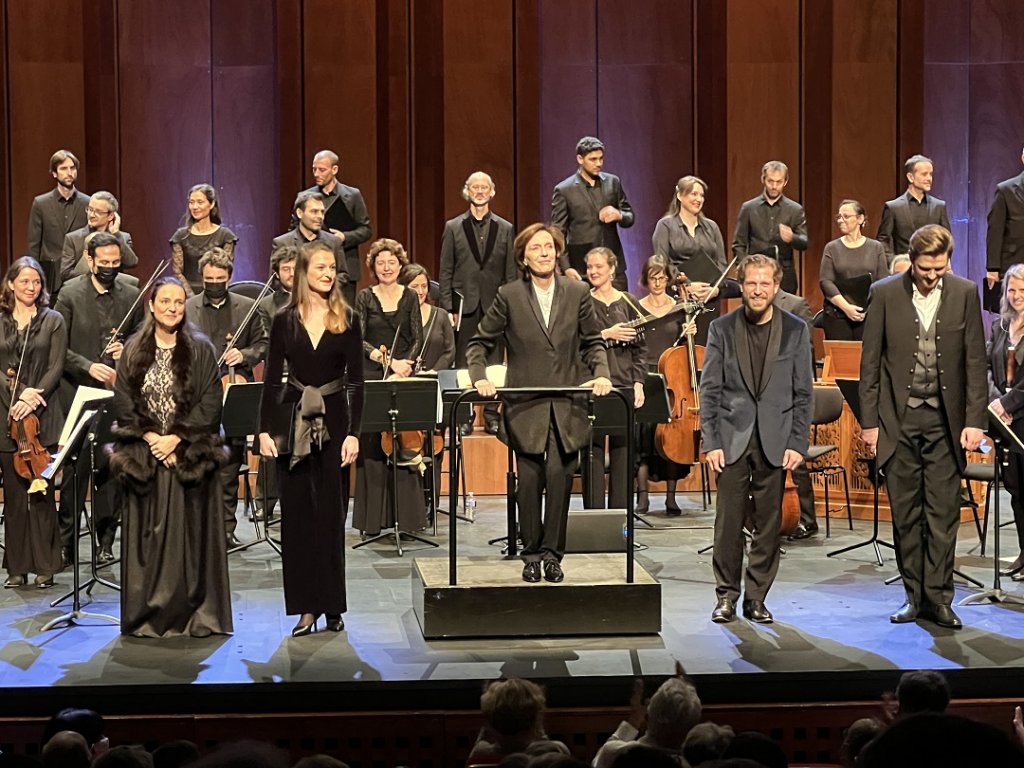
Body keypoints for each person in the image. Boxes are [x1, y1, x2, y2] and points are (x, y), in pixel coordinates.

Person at [467, 223, 611, 583]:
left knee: (560, 479)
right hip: (525, 405)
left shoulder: (578, 292)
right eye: (537, 248)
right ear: (524, 257)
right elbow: (478, 343)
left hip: (566, 405)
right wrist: (480, 377)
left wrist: (603, 373)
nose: (545, 252)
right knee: (529, 483)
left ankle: (553, 555)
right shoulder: (509, 295)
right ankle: (530, 554)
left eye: (549, 246)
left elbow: (593, 342)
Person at [860, 224, 986, 630]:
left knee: (943, 513)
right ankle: (913, 597)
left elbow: (974, 363)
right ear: (911, 261)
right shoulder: (884, 293)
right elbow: (870, 364)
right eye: (925, 268)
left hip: (945, 422)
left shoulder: (965, 293)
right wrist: (869, 423)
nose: (932, 276)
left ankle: (939, 598)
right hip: (898, 421)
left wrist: (974, 422)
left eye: (939, 268)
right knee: (906, 514)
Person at [110, 276, 232, 637]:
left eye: (179, 302)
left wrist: (176, 438)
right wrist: (150, 437)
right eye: (165, 302)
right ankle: (147, 617)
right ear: (151, 304)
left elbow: (211, 403)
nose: (172, 308)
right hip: (145, 458)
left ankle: (194, 616)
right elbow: (123, 400)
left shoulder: (201, 348)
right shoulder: (133, 348)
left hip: (187, 458)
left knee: (189, 542)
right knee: (148, 542)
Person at [258, 240, 363, 637]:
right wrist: (264, 429)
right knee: (298, 517)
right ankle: (306, 608)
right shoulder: (284, 320)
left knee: (332, 519)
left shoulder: (347, 317)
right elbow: (271, 380)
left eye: (332, 267)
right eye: (320, 267)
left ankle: (333, 606)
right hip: (294, 420)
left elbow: (356, 382)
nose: (328, 273)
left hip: (335, 421)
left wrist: (353, 434)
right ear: (303, 271)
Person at [701, 254, 813, 624]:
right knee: (728, 523)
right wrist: (711, 440)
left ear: (776, 287)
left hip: (776, 440)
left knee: (769, 524)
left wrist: (798, 443)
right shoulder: (721, 328)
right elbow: (710, 390)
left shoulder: (796, 330)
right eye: (751, 283)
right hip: (732, 438)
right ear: (742, 286)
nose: (758, 290)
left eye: (765, 283)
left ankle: (757, 597)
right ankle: (726, 596)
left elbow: (803, 393)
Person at [54, 232, 143, 566]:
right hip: (77, 393)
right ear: (89, 260)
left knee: (110, 469)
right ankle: (66, 545)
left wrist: (127, 352)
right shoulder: (70, 294)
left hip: (116, 395)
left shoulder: (131, 293)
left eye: (114, 263)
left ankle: (105, 542)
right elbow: (58, 347)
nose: (109, 268)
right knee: (76, 470)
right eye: (103, 262)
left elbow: (141, 336)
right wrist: (89, 365)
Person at [185, 247, 268, 549]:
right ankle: (198, 530)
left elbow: (262, 343)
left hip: (233, 389)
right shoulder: (189, 306)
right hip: (198, 394)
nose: (215, 283)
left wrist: (243, 354)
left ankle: (226, 529)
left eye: (220, 278)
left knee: (230, 463)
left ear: (229, 277)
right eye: (209, 279)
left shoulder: (248, 306)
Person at [0, 257, 67, 590]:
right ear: (11, 283)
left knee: (42, 494)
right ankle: (16, 567)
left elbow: (56, 366)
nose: (30, 287)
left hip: (43, 419)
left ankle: (46, 566)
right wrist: (13, 395)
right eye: (24, 281)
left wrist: (31, 396)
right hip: (5, 417)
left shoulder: (53, 320)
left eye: (36, 282)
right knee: (14, 498)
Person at [352, 238, 425, 538]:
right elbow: (358, 337)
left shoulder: (409, 296)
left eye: (391, 262)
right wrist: (386, 361)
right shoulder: (364, 298)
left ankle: (406, 521)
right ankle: (373, 522)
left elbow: (417, 337)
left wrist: (404, 365)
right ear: (373, 267)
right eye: (380, 263)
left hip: (403, 375)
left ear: (400, 265)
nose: (386, 267)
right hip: (373, 373)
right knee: (372, 444)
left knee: (404, 445)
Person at [438, 171, 516, 435]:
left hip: (495, 306)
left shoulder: (505, 228)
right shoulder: (453, 227)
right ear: (467, 191)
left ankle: (493, 414)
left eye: (485, 187)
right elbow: (446, 270)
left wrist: (509, 308)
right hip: (465, 306)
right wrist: (449, 307)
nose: (480, 191)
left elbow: (510, 273)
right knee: (463, 361)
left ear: (492, 191)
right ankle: (464, 415)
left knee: (494, 362)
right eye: (475, 187)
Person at [583, 247, 646, 510]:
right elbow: (578, 343)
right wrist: (607, 334)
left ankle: (621, 516)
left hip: (623, 387)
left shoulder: (629, 302)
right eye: (589, 267)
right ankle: (594, 516)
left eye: (599, 266)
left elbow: (642, 349)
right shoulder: (583, 303)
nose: (593, 272)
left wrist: (639, 383)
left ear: (612, 268)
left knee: (622, 454)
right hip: (593, 386)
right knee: (592, 453)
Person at [652, 176, 740, 345]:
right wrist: (687, 285)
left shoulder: (711, 227)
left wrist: (715, 289)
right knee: (683, 347)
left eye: (701, 195)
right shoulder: (665, 226)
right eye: (693, 194)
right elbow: (661, 263)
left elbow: (721, 262)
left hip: (708, 298)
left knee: (706, 347)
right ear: (680, 196)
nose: (698, 199)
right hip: (679, 297)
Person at [635, 255, 690, 515]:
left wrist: (691, 331)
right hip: (645, 378)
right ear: (646, 280)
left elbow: (684, 347)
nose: (657, 282)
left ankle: (671, 498)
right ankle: (642, 497)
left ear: (668, 279)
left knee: (672, 439)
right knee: (643, 440)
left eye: (662, 277)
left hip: (673, 378)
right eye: (653, 277)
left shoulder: (679, 308)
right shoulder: (636, 308)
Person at [400, 263, 455, 510]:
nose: (420, 291)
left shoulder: (441, 315)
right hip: (407, 386)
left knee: (434, 444)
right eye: (415, 286)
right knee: (408, 445)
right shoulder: (399, 315)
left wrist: (435, 371)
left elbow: (450, 351)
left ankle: (432, 500)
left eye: (424, 286)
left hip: (434, 387)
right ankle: (412, 503)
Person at [291, 150, 372, 307]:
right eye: (314, 169)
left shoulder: (352, 195)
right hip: (312, 264)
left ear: (334, 170)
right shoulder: (305, 196)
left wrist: (344, 237)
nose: (316, 173)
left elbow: (366, 229)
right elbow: (293, 228)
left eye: (322, 170)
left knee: (343, 315)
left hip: (345, 266)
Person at [551, 136, 634, 289]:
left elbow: (629, 216)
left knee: (621, 310)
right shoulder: (564, 190)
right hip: (582, 268)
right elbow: (558, 233)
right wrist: (566, 267)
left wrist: (619, 214)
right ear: (580, 159)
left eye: (601, 159)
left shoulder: (612, 182)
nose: (599, 164)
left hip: (613, 266)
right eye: (593, 159)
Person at [253, 244, 299, 522]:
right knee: (273, 441)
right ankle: (265, 501)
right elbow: (269, 345)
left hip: (309, 381)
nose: (292, 273)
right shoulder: (266, 305)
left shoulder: (315, 299)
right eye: (286, 269)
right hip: (280, 379)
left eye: (296, 268)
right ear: (277, 273)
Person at [986, 263, 1024, 577]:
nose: (1016, 296)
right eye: (1012, 290)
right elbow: (986, 366)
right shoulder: (999, 326)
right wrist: (995, 403)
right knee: (1015, 489)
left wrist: (1008, 403)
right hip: (1004, 420)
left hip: (1022, 414)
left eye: (1023, 291)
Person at [773, 287, 819, 540]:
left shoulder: (796, 303)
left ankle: (807, 519)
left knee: (794, 461)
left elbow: (805, 344)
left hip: (789, 389)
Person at [592, 664, 701, 768]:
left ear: (647, 717)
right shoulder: (691, 764)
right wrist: (687, 688)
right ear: (692, 730)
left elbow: (599, 760)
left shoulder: (614, 753)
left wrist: (633, 721)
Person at [731, 160, 808, 294]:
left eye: (778, 182)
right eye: (770, 181)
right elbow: (739, 243)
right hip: (755, 274)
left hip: (784, 276)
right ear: (763, 179)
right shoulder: (749, 208)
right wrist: (743, 267)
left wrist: (792, 238)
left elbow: (804, 243)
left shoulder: (795, 209)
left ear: (785, 182)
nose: (774, 186)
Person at [819, 199, 889, 341]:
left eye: (846, 216)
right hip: (838, 315)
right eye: (839, 217)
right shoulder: (832, 248)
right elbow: (826, 281)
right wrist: (846, 308)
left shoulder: (875, 247)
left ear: (860, 219)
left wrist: (868, 309)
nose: (840, 220)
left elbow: (883, 280)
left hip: (869, 314)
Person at [466, 677, 570, 764]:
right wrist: (542, 736)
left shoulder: (480, 753)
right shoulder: (555, 750)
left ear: (490, 724)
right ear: (535, 721)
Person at [26, 150, 89, 290]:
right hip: (50, 276)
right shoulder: (41, 203)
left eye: (72, 168)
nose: (69, 172)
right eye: (63, 168)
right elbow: (34, 245)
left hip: (78, 274)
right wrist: (34, 276)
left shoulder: (88, 203)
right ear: (54, 173)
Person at [876, 154, 951, 264]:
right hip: (905, 269)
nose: (929, 178)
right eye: (924, 174)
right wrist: (895, 262)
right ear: (911, 177)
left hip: (933, 267)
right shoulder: (893, 207)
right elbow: (883, 241)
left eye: (931, 174)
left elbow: (947, 239)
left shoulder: (939, 206)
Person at [59, 192, 138, 293]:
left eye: (98, 212)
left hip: (114, 294)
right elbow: (65, 274)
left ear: (110, 216)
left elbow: (132, 262)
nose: (91, 215)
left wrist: (116, 234)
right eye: (90, 209)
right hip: (83, 294)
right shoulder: (73, 238)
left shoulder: (122, 237)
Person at [169, 184, 239, 296]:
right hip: (187, 294)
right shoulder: (180, 236)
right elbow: (177, 272)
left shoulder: (225, 236)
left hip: (217, 291)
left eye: (200, 202)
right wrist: (192, 297)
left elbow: (226, 269)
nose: (195, 207)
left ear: (211, 204)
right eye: (191, 202)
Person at [272, 191, 349, 290]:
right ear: (300, 213)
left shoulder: (334, 242)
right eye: (314, 211)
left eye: (322, 212)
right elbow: (274, 279)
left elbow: (343, 276)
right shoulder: (282, 242)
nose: (320, 217)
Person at [985, 147, 1024, 310]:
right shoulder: (1005, 190)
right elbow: (995, 231)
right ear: (1023, 158)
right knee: (1009, 313)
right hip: (1011, 262)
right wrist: (992, 268)